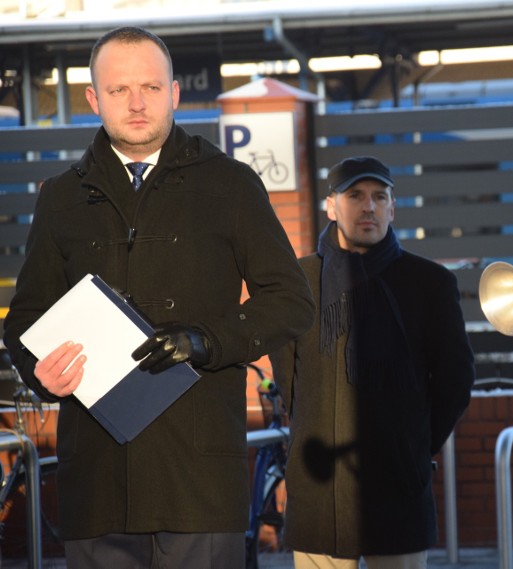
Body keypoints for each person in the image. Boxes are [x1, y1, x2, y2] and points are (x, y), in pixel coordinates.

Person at [2, 26, 315, 569]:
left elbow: (290, 301)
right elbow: (26, 318)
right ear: (94, 100)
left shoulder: (231, 184)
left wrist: (207, 340)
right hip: (98, 483)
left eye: (150, 86)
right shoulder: (61, 197)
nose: (137, 102)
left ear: (173, 92)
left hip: (196, 480)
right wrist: (38, 369)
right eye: (120, 90)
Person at [270, 156, 475, 569]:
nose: (369, 207)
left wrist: (412, 446)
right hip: (320, 487)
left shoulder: (430, 284)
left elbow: (455, 380)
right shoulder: (298, 282)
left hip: (398, 482)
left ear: (392, 208)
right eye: (356, 196)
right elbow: (288, 380)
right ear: (332, 206)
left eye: (380, 197)